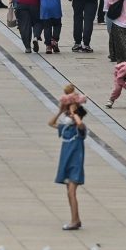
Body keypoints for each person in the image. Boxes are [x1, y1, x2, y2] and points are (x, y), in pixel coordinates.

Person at [49, 96, 87, 230]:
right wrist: (60, 111)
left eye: (69, 115)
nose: (68, 117)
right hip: (66, 164)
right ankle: (76, 219)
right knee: (69, 193)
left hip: (75, 165)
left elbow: (80, 124)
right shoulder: (66, 129)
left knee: (71, 193)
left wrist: (74, 113)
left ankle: (74, 221)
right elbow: (51, 123)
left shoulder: (79, 130)